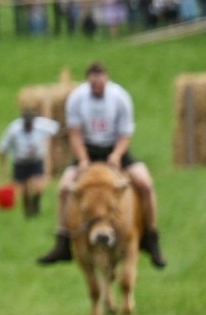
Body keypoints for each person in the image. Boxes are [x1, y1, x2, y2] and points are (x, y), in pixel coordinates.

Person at [38, 62, 166, 268]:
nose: (97, 87)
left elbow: (126, 134)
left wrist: (116, 156)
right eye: (93, 83)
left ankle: (151, 237)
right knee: (64, 188)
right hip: (88, 151)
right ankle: (62, 241)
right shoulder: (77, 98)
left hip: (115, 150)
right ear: (88, 81)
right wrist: (82, 160)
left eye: (100, 82)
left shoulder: (120, 98)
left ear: (107, 79)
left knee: (145, 184)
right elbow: (75, 133)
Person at [0, 106, 59, 218]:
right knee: (24, 189)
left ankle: (36, 202)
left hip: (36, 160)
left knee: (39, 186)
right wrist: (3, 167)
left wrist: (57, 147)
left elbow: (57, 129)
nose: (29, 126)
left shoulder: (41, 125)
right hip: (20, 162)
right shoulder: (14, 129)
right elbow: (2, 148)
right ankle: (27, 208)